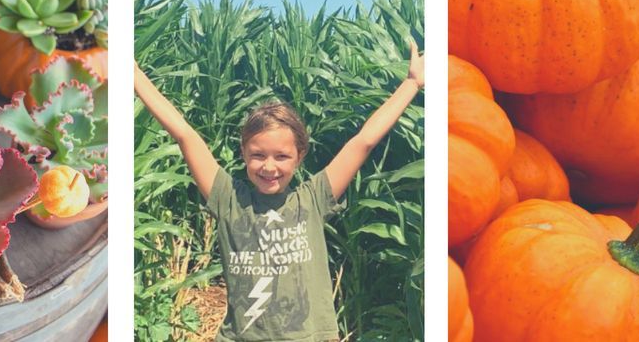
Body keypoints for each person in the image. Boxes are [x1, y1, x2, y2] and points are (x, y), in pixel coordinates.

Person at [134, 42, 424, 341]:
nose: (269, 167)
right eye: (258, 155)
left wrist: (412, 83)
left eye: (281, 157)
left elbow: (363, 142)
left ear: (299, 157)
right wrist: (134, 74)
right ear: (244, 153)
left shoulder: (313, 198)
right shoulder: (228, 198)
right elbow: (185, 135)